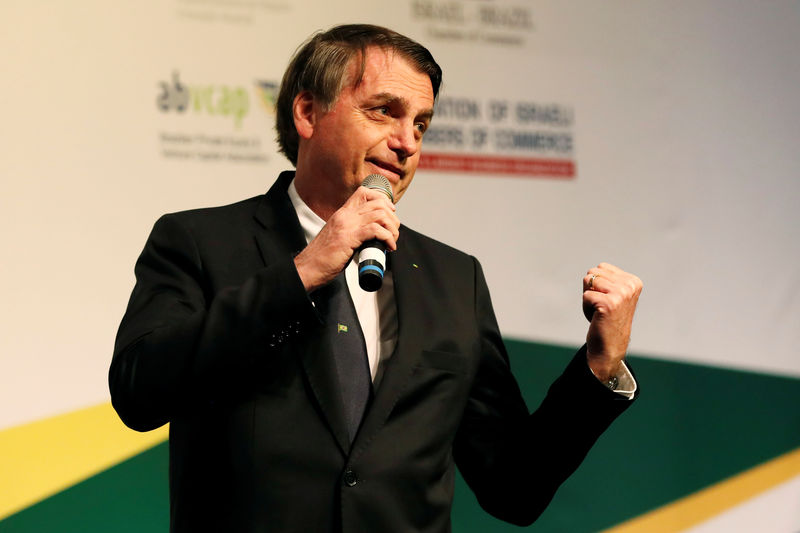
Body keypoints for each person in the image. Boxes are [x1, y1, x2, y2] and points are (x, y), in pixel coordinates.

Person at [110, 23, 642, 532]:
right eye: (384, 112)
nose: (407, 142)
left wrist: (600, 364)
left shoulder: (455, 280)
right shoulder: (202, 243)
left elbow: (513, 487)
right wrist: (305, 270)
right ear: (307, 111)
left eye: (421, 123)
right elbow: (140, 393)